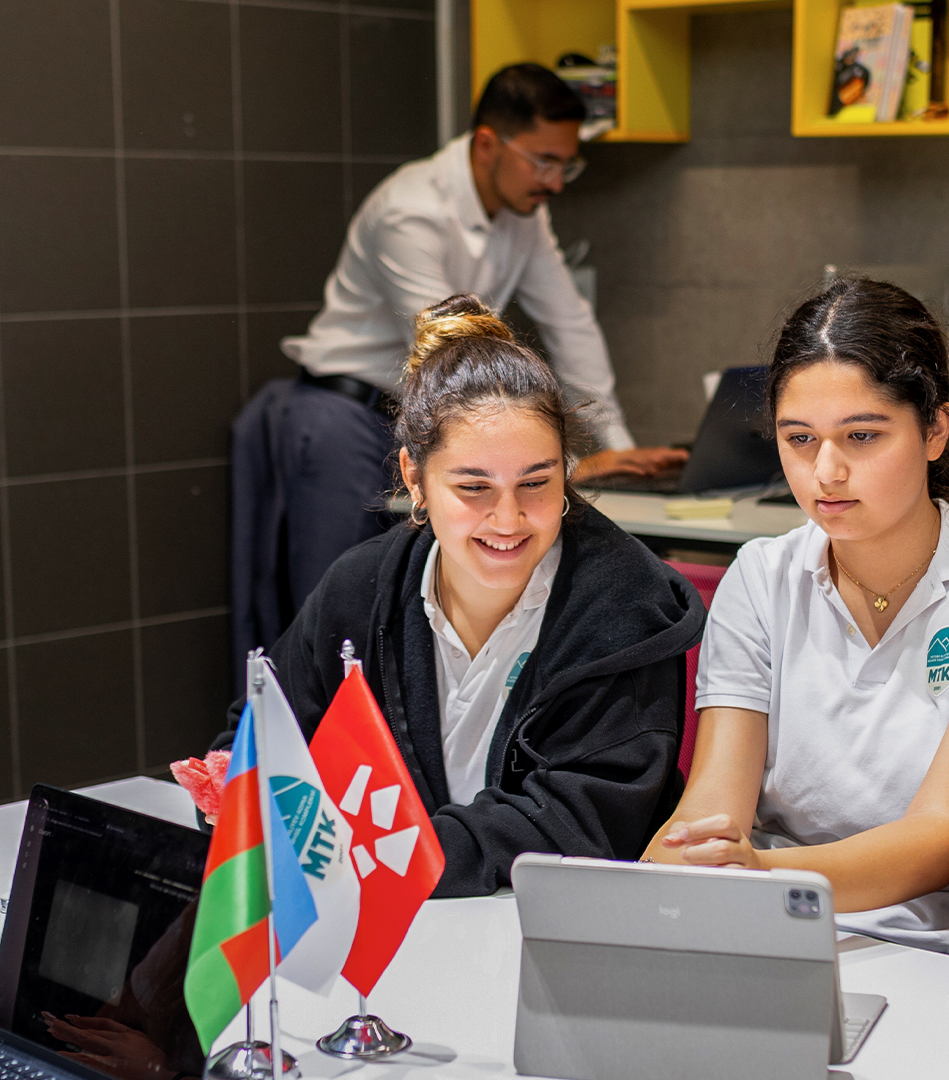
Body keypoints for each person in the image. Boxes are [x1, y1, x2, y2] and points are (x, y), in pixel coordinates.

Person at [219, 294, 706, 896]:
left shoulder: (623, 604)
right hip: (399, 909)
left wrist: (384, 855)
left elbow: (582, 822)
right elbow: (259, 739)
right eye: (474, 487)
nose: (508, 519)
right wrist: (236, 799)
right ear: (415, 478)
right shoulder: (361, 585)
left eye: (536, 482)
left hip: (558, 919)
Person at [643, 279, 949, 956]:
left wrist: (759, 876)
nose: (827, 471)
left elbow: (938, 839)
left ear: (936, 429)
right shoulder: (761, 576)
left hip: (944, 945)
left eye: (862, 436)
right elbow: (712, 808)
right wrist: (673, 871)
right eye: (799, 438)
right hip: (767, 924)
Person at [231, 63, 685, 664]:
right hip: (347, 415)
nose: (554, 182)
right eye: (543, 161)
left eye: (566, 165)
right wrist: (574, 458)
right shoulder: (410, 210)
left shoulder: (524, 214)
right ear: (488, 144)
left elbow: (569, 321)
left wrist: (617, 448)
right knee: (344, 616)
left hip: (438, 420)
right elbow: (449, 352)